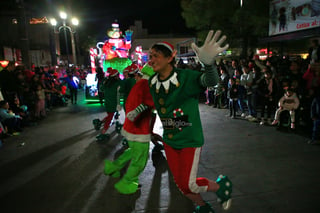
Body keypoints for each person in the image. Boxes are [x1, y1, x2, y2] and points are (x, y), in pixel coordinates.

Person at [148, 30, 232, 213]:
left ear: (170, 58)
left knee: (190, 185)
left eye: (155, 56)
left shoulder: (185, 77)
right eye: (150, 56)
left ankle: (221, 186)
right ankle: (204, 208)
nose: (151, 60)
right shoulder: (152, 81)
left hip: (189, 139)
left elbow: (210, 81)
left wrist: (208, 64)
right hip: (170, 140)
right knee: (182, 185)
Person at [104, 63, 162, 194]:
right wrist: (137, 112)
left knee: (132, 152)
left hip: (131, 127)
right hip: (139, 128)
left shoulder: (139, 85)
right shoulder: (148, 86)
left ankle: (113, 167)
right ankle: (128, 181)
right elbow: (148, 103)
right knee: (140, 158)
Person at [95, 68, 122, 140]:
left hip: (107, 103)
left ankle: (101, 122)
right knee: (110, 118)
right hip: (113, 103)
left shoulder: (107, 82)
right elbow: (121, 91)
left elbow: (101, 88)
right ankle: (103, 133)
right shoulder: (117, 83)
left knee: (110, 115)